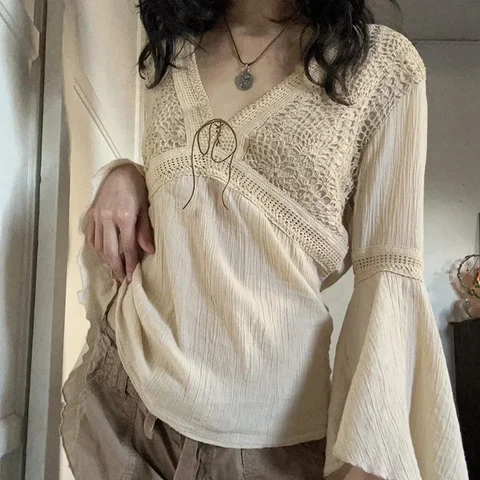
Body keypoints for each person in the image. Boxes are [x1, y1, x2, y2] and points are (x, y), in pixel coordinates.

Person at [60, 1, 468, 479]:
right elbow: (191, 201)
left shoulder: (384, 67)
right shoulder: (175, 46)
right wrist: (126, 175)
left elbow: (388, 275)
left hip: (268, 445)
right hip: (127, 399)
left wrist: (374, 451)